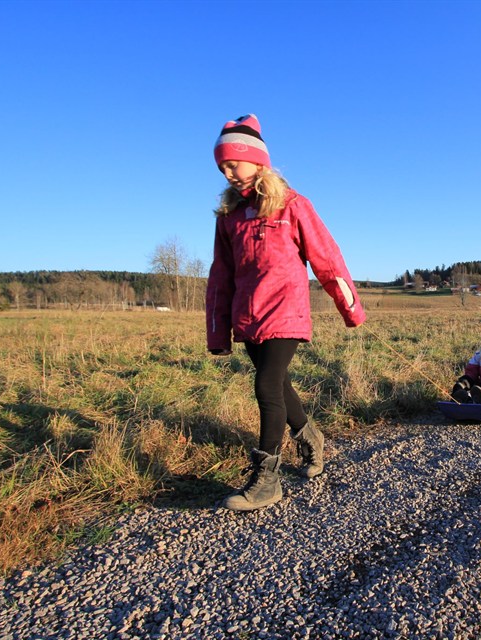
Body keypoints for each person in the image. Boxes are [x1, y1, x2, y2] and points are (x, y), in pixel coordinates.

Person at [206, 114, 366, 512]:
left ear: (257, 161)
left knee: (266, 387)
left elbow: (326, 258)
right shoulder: (229, 218)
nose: (228, 173)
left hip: (286, 312)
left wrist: (350, 308)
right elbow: (221, 277)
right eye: (222, 167)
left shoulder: (293, 205)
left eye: (233, 164)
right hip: (248, 317)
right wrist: (218, 331)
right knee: (280, 387)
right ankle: (311, 439)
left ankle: (267, 480)